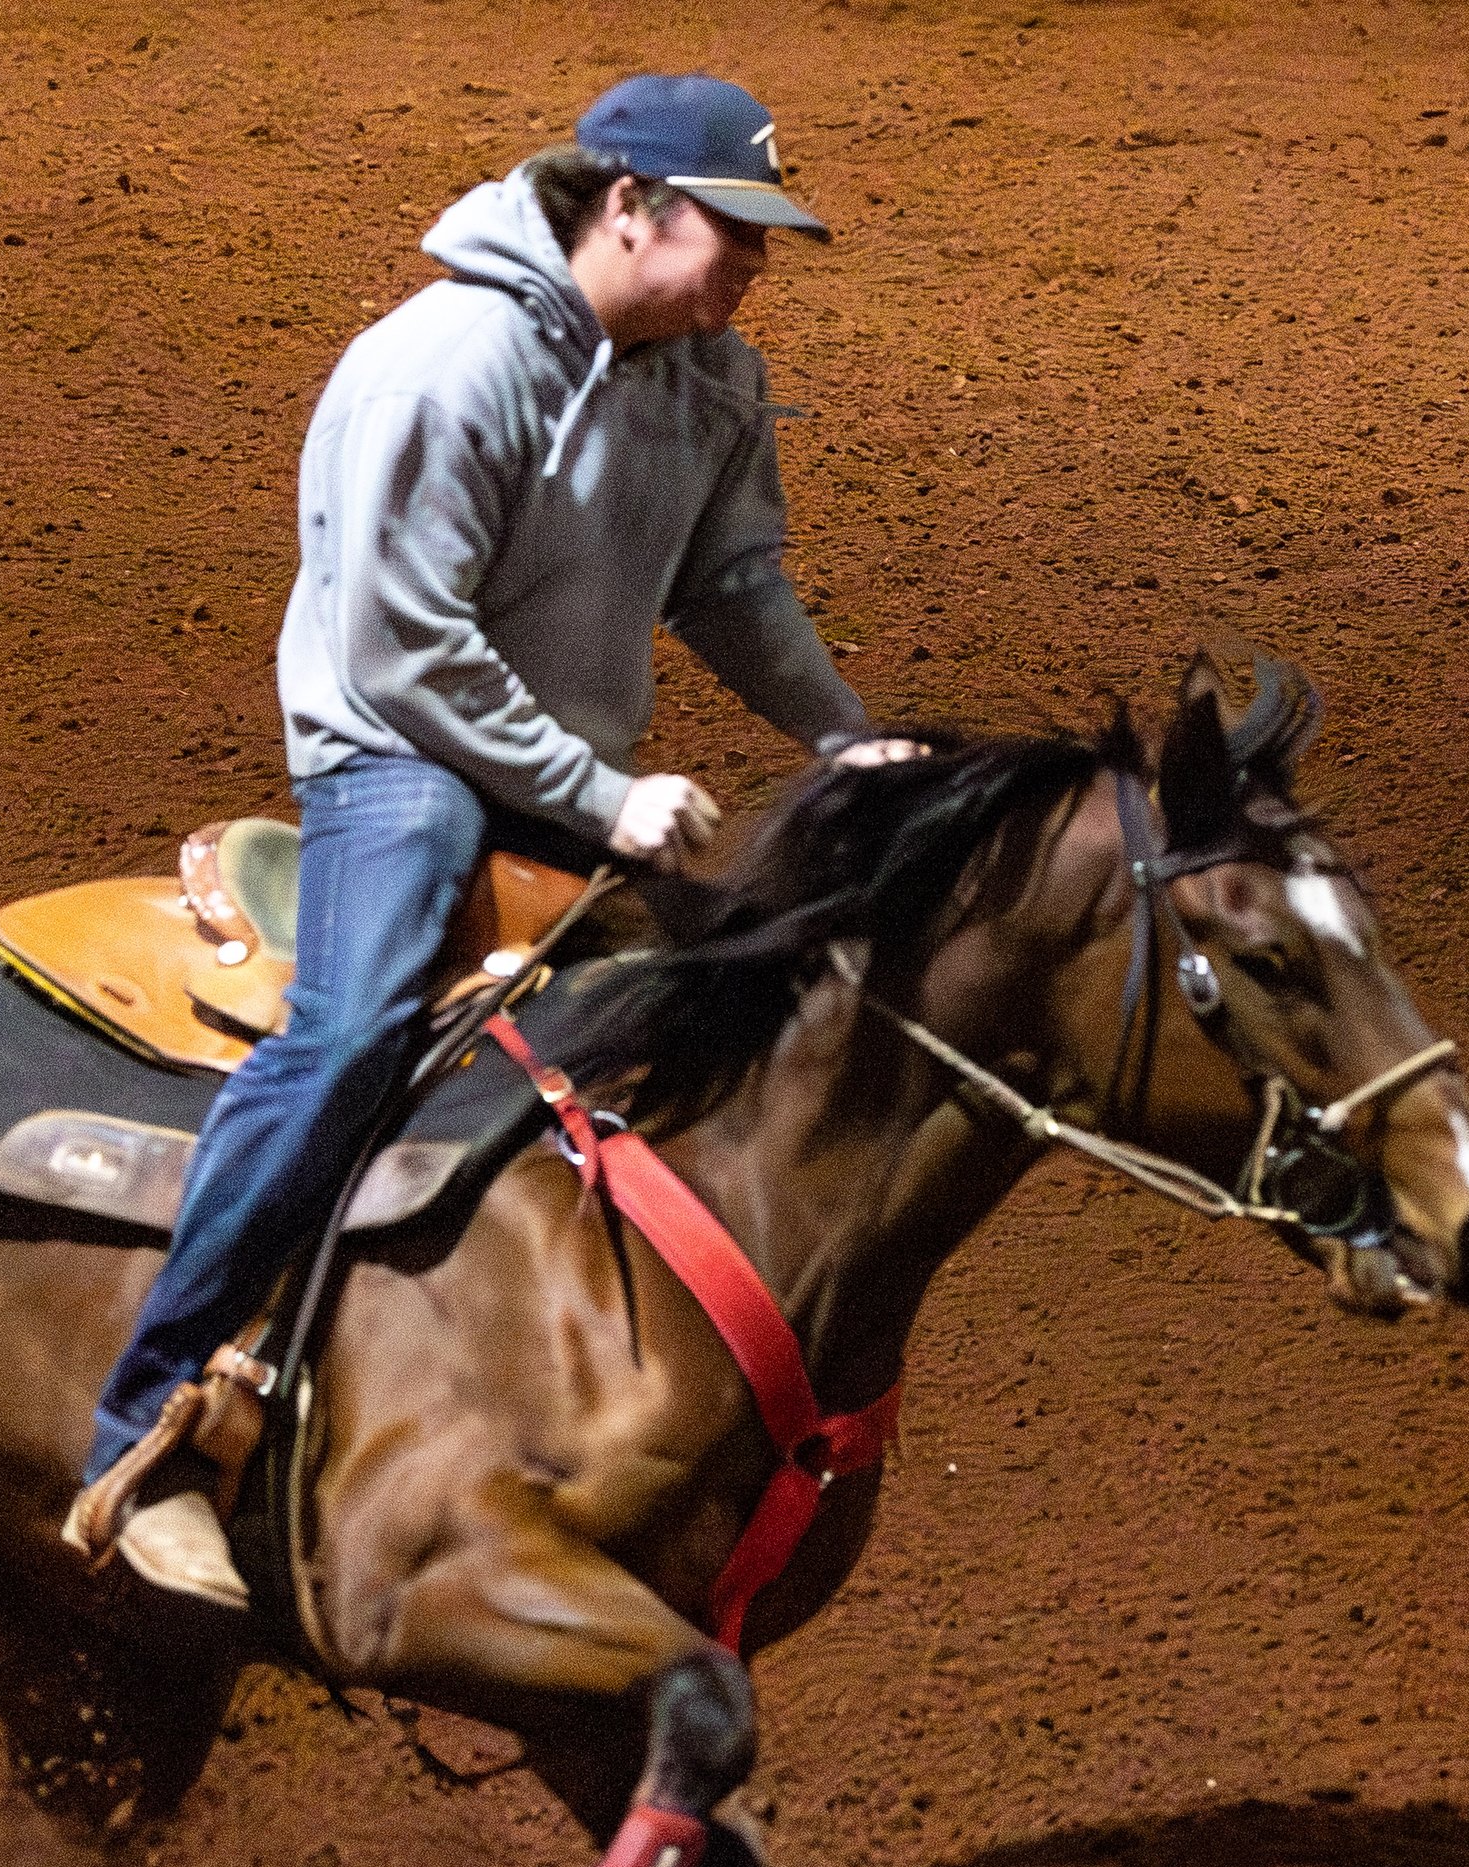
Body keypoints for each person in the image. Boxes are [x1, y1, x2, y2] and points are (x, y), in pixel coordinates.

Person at [65, 72, 878, 1601]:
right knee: (359, 1020)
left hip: (561, 766)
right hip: (401, 760)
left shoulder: (712, 381)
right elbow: (400, 651)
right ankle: (147, 1422)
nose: (759, 268)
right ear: (628, 206)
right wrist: (602, 795)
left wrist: (844, 729)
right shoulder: (441, 368)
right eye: (738, 232)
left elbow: (735, 590)